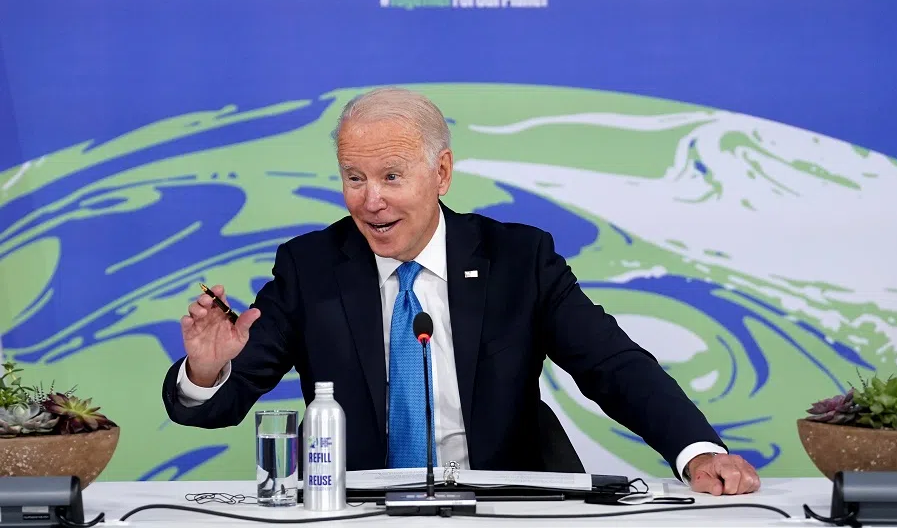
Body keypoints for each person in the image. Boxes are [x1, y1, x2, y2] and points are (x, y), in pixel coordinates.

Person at [162, 86, 760, 496]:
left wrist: (696, 452)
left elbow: (612, 364)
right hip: (362, 515)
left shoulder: (519, 259)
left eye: (391, 176)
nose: (371, 200)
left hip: (505, 509)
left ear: (441, 173)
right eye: (354, 178)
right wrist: (206, 371)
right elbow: (218, 405)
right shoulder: (310, 267)